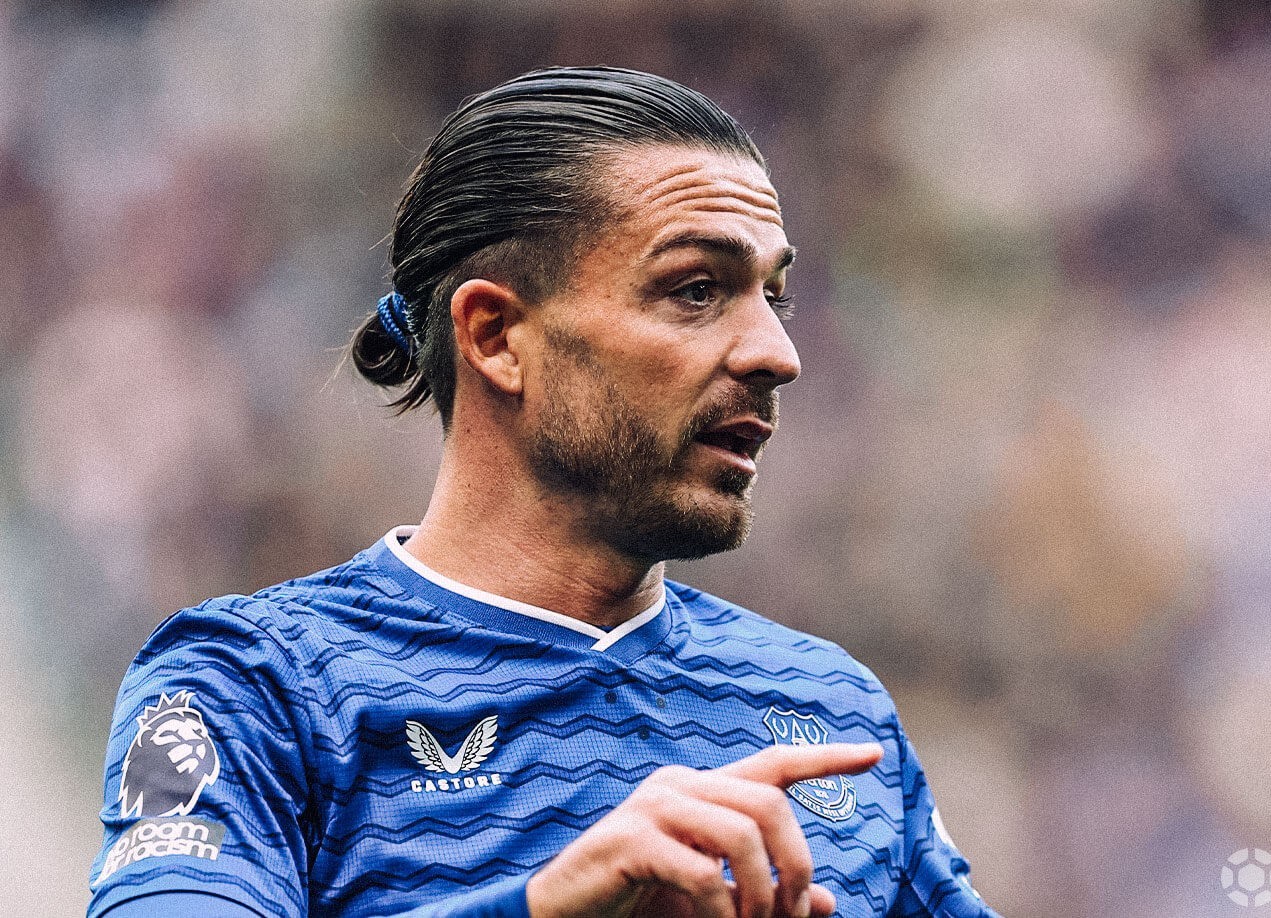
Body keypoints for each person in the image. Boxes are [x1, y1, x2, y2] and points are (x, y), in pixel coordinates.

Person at [87, 67, 999, 918]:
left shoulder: (830, 708)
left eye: (775, 297)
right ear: (495, 336)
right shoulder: (253, 685)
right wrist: (547, 906)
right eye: (695, 290)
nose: (777, 353)